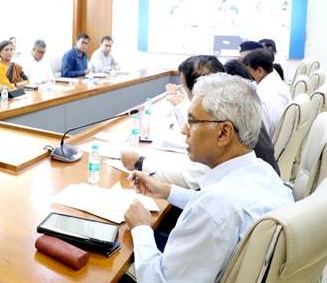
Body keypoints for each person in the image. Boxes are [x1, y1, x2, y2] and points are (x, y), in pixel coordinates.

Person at [123, 73, 293, 282]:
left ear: (223, 133)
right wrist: (166, 191)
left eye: (192, 121)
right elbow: (219, 208)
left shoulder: (213, 209)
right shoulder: (263, 172)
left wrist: (140, 227)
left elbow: (157, 280)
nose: (184, 130)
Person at [123, 55, 279, 189]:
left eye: (184, 88)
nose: (185, 130)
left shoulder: (223, 118)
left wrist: (140, 163)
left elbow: (192, 179)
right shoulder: (236, 104)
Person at [242, 48, 291, 138]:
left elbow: (256, 138)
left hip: (268, 141)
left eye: (249, 71)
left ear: (260, 71)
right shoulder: (279, 83)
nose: (249, 76)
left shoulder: (261, 98)